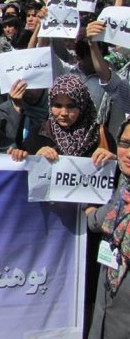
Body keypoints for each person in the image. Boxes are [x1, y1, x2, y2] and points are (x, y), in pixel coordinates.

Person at [86, 118, 130, 338]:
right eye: (125, 144)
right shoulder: (123, 185)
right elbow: (98, 221)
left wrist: (91, 214)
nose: (129, 153)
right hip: (107, 308)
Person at [23, 74, 115, 162]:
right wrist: (35, 159)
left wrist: (113, 160)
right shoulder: (38, 134)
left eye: (71, 106)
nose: (64, 113)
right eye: (58, 106)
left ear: (82, 106)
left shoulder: (98, 134)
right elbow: (24, 168)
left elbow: (119, 170)